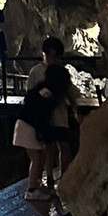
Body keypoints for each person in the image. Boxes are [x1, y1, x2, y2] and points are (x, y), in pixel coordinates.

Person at [13, 63, 72, 199]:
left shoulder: (42, 89)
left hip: (26, 125)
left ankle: (36, 186)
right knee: (37, 159)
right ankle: (32, 190)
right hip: (28, 126)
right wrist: (43, 133)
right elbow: (40, 114)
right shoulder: (47, 94)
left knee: (39, 158)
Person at [27, 37, 79, 182]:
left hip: (59, 114)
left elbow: (70, 92)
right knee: (49, 148)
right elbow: (31, 93)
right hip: (45, 116)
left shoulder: (59, 71)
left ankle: (64, 176)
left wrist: (73, 109)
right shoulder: (36, 72)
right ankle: (49, 177)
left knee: (63, 146)